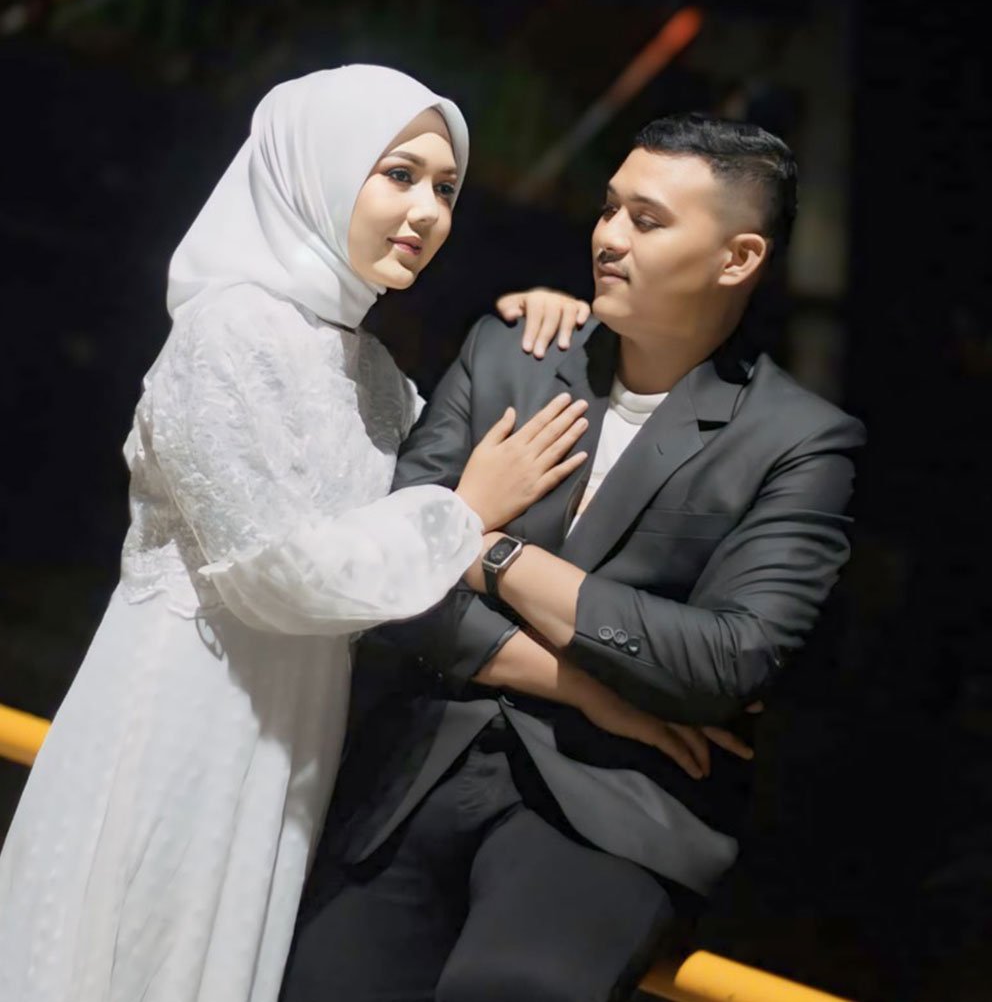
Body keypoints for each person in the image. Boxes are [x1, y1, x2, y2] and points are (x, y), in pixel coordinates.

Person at [0, 64, 591, 1002]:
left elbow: (449, 483)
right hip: (186, 715)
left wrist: (551, 330)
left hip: (295, 733)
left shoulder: (372, 372)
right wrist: (465, 510)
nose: (428, 211)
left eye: (446, 189)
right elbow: (277, 572)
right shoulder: (228, 329)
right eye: (398, 175)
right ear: (315, 170)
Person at [284, 114, 867, 1002]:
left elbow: (726, 662)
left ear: (738, 258)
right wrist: (586, 681)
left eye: (647, 219)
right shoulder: (513, 352)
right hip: (412, 771)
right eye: (608, 209)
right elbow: (392, 578)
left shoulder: (800, 440)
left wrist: (487, 548)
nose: (608, 237)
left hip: (616, 809)